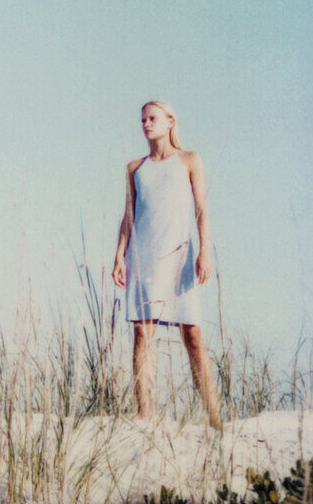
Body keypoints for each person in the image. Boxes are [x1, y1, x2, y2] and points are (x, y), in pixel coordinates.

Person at [112, 101, 222, 428]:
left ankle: (214, 418)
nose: (146, 124)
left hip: (180, 255)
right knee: (142, 333)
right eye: (143, 119)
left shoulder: (189, 160)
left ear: (170, 121)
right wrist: (119, 255)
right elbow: (129, 215)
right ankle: (145, 414)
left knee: (193, 334)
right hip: (142, 255)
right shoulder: (135, 168)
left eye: (153, 118)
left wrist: (205, 251)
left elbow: (201, 208)